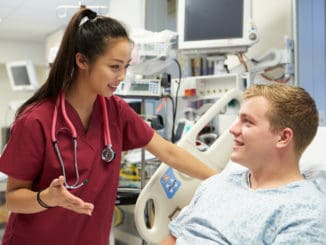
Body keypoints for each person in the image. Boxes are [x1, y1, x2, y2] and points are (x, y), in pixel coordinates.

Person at [0, 8, 216, 245]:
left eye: (125, 67)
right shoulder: (36, 120)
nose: (122, 76)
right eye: (114, 67)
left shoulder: (115, 110)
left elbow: (169, 151)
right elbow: (12, 198)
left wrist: (221, 180)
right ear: (82, 61)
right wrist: (47, 198)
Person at [160, 83, 326, 245]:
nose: (233, 129)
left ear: (283, 138)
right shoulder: (215, 184)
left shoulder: (305, 212)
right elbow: (172, 239)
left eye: (248, 122)